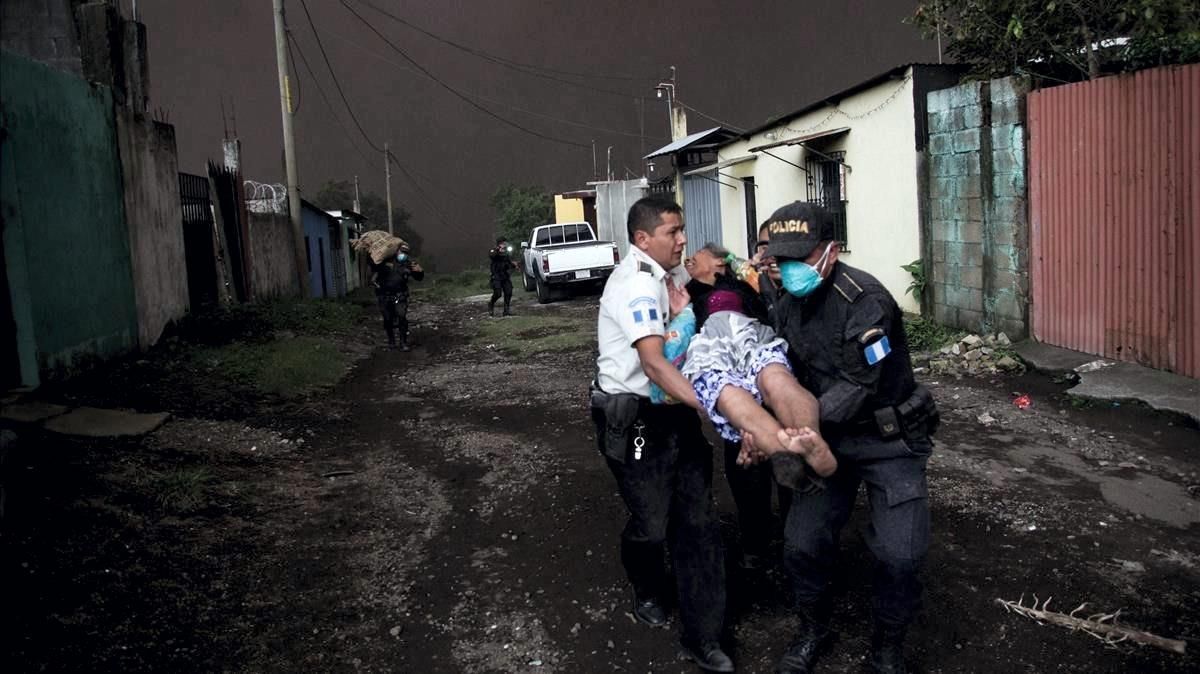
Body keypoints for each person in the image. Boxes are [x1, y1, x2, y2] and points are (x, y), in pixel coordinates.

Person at [751, 201, 939, 674]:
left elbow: (858, 387)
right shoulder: (786, 299)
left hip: (885, 440)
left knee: (901, 554)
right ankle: (814, 629)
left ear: (830, 252)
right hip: (822, 439)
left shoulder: (866, 301)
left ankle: (888, 648)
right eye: (782, 259)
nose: (790, 269)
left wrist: (792, 433)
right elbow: (778, 366)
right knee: (801, 544)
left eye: (801, 257)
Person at [589, 196, 734, 672]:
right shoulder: (637, 284)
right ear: (643, 239)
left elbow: (671, 348)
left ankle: (704, 636)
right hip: (634, 419)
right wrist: (715, 405)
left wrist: (683, 315)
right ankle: (647, 586)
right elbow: (652, 361)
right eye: (673, 231)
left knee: (696, 523)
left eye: (682, 229)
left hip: (671, 411)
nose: (683, 239)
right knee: (651, 523)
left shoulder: (664, 279)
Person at [370, 242, 424, 351]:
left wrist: (420, 271)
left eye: (405, 252)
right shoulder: (384, 262)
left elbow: (418, 277)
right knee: (387, 319)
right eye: (401, 251)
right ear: (396, 251)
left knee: (401, 316)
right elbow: (374, 274)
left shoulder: (409, 263)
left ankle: (403, 342)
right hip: (384, 295)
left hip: (400, 295)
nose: (403, 254)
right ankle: (391, 342)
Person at [488, 236, 518, 316]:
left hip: (505, 275)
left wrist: (514, 265)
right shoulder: (494, 250)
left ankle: (506, 310)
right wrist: (498, 250)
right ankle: (491, 304)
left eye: (505, 243)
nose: (505, 244)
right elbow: (491, 255)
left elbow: (508, 263)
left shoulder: (506, 253)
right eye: (503, 243)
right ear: (499, 244)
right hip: (496, 276)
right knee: (498, 293)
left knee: (508, 291)